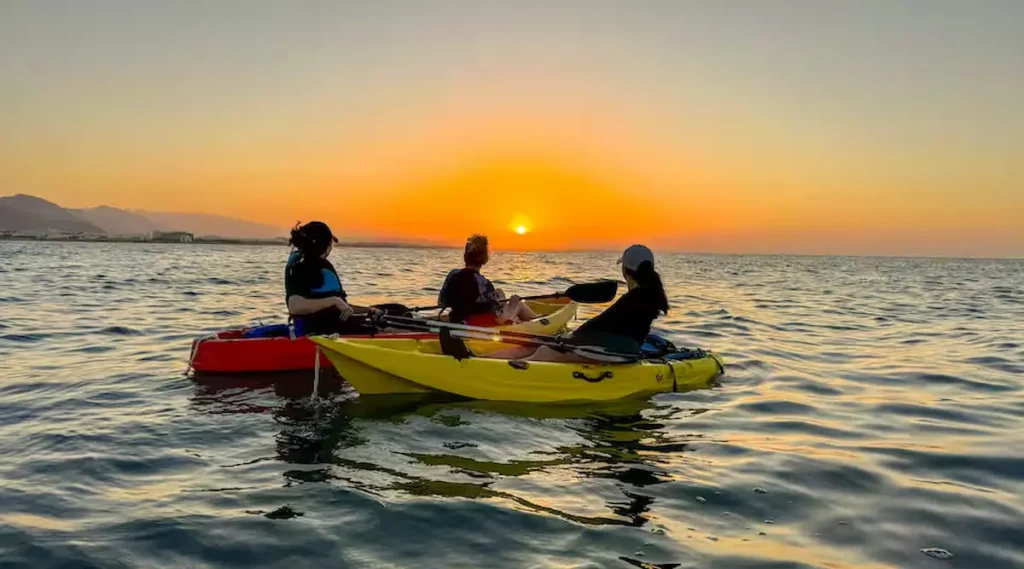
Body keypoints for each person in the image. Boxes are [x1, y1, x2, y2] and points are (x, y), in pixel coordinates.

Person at [498, 244, 669, 362]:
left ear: (624, 270)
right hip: (614, 349)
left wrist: (569, 340)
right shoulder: (647, 297)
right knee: (537, 345)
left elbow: (598, 328)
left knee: (545, 351)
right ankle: (482, 360)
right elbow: (603, 327)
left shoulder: (635, 300)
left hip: (612, 352)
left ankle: (492, 370)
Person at [285, 221, 379, 335]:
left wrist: (368, 310)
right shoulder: (301, 267)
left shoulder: (322, 265)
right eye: (330, 243)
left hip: (336, 325)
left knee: (392, 312)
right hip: (320, 331)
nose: (331, 247)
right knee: (386, 329)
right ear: (322, 245)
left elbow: (342, 306)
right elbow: (295, 306)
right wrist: (334, 301)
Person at [437, 234, 539, 326]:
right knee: (518, 303)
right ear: (485, 259)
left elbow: (441, 303)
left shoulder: (453, 275)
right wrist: (512, 305)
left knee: (499, 292)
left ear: (465, 257)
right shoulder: (484, 284)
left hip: (458, 319)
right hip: (479, 327)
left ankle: (537, 318)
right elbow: (497, 318)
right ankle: (542, 322)